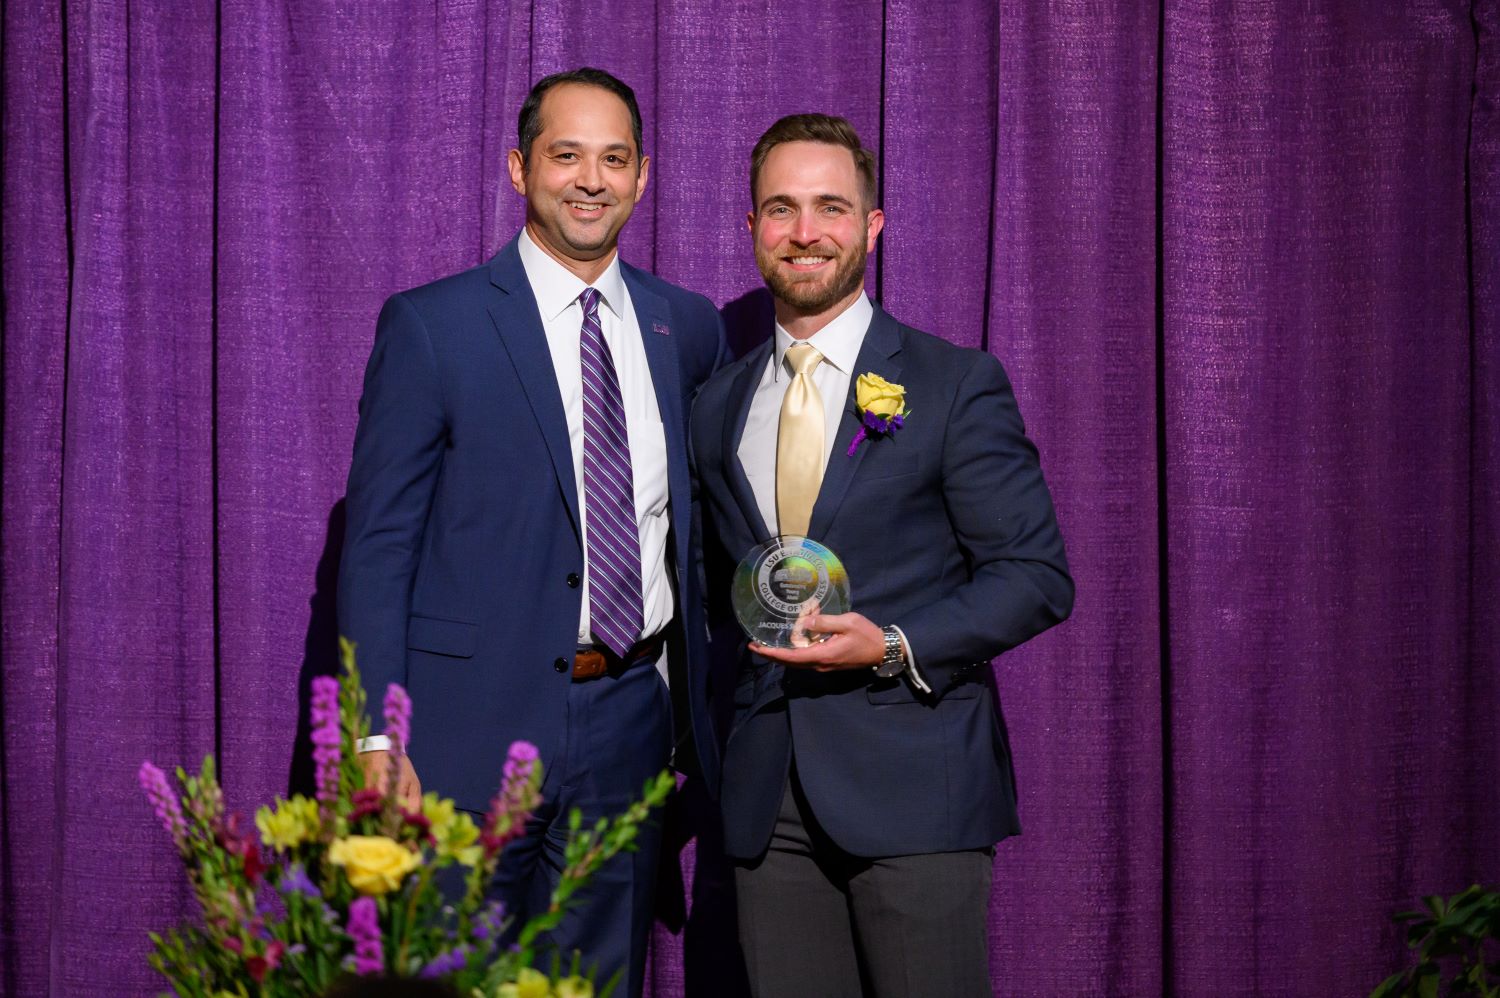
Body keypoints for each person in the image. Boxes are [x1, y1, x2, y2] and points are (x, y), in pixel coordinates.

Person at [337, 67, 727, 998]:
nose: (590, 179)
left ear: (643, 178)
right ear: (520, 169)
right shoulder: (435, 327)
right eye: (566, 155)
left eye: (613, 158)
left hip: (631, 724)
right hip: (461, 736)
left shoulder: (690, 327)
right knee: (446, 977)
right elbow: (380, 545)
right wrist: (373, 738)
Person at [690, 114, 1074, 997]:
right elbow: (716, 589)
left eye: (831, 207)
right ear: (750, 228)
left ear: (872, 225)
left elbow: (1037, 576)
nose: (805, 232)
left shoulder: (953, 383)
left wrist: (893, 642)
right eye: (780, 209)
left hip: (916, 787)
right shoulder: (717, 403)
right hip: (766, 799)